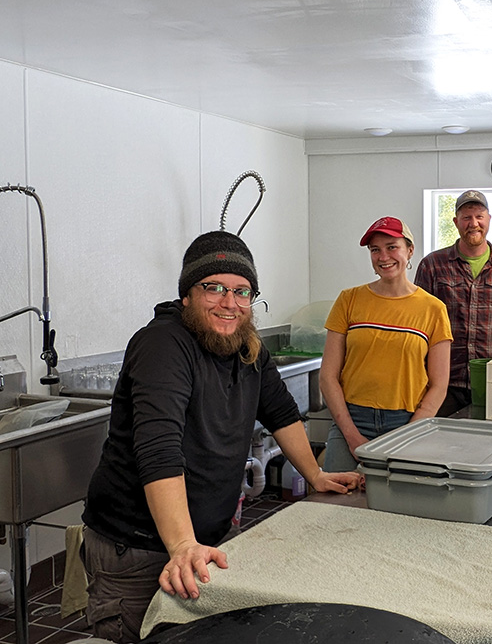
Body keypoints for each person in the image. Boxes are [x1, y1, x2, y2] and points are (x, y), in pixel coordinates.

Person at [82, 231, 360, 643]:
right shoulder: (163, 344)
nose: (229, 303)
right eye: (213, 288)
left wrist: (315, 475)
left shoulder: (246, 346)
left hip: (201, 542)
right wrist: (181, 544)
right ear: (187, 295)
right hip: (139, 548)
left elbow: (281, 412)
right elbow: (159, 449)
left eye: (241, 291)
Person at [320, 216, 452, 470]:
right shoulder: (349, 300)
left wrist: (408, 436)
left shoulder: (433, 309)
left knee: (396, 505)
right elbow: (328, 376)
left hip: (407, 422)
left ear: (409, 250)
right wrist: (350, 435)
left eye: (392, 247)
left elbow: (438, 385)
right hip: (352, 418)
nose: (383, 257)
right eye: (375, 250)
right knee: (335, 501)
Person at [415, 189, 492, 416]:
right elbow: (419, 328)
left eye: (479, 216)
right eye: (466, 217)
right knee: (440, 448)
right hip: (443, 386)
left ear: (489, 219)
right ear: (456, 222)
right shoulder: (432, 265)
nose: (474, 223)